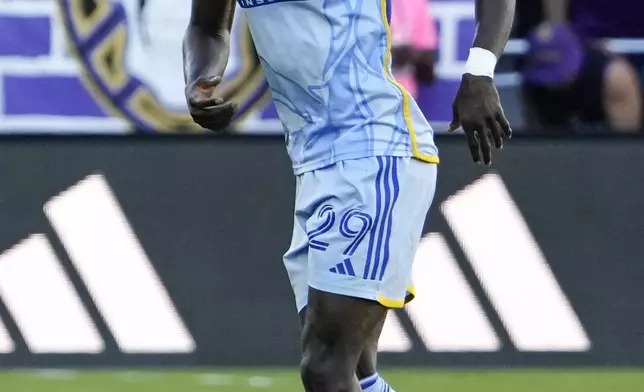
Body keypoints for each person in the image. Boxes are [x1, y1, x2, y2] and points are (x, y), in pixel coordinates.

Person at [183, 0, 514, 391]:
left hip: (375, 148)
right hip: (312, 162)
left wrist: (480, 70)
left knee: (325, 366)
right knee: (356, 369)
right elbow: (207, 27)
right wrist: (200, 78)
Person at [518, 0, 642, 132]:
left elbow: (626, 148)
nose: (552, 85)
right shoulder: (535, 82)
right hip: (581, 35)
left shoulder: (613, 78)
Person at [390, 0, 438, 99]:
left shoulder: (416, 2)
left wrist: (408, 55)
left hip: (403, 97)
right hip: (360, 96)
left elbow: (427, 56)